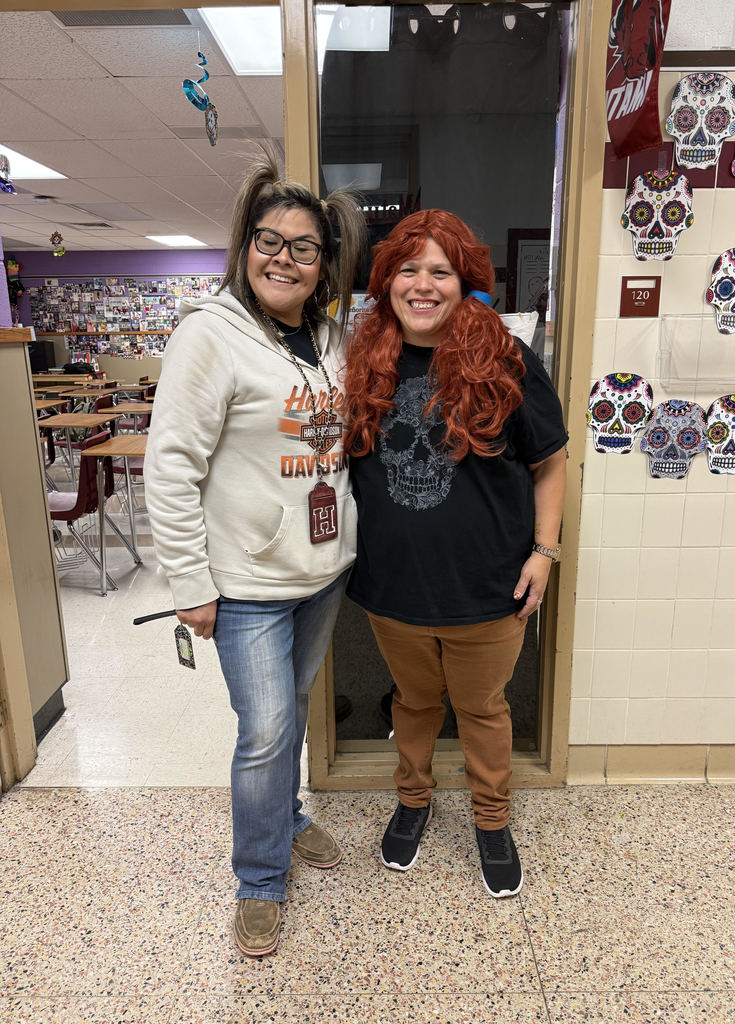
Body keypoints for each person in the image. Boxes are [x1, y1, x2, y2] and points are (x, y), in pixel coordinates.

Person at [143, 145, 367, 958]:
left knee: (290, 711)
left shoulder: (333, 339)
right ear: (245, 249)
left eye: (303, 247)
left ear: (323, 265)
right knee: (265, 731)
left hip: (323, 572)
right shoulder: (209, 335)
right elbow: (168, 467)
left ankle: (288, 815)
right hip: (245, 584)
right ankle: (260, 878)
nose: (284, 258)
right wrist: (189, 584)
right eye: (269, 241)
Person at [342, 209, 567, 898]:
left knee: (483, 709)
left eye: (439, 270)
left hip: (490, 584)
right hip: (394, 585)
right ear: (386, 281)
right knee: (413, 703)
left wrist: (544, 553)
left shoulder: (504, 359)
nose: (422, 284)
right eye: (408, 269)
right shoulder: (362, 358)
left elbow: (552, 462)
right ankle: (413, 804)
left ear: (463, 280)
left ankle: (492, 820)